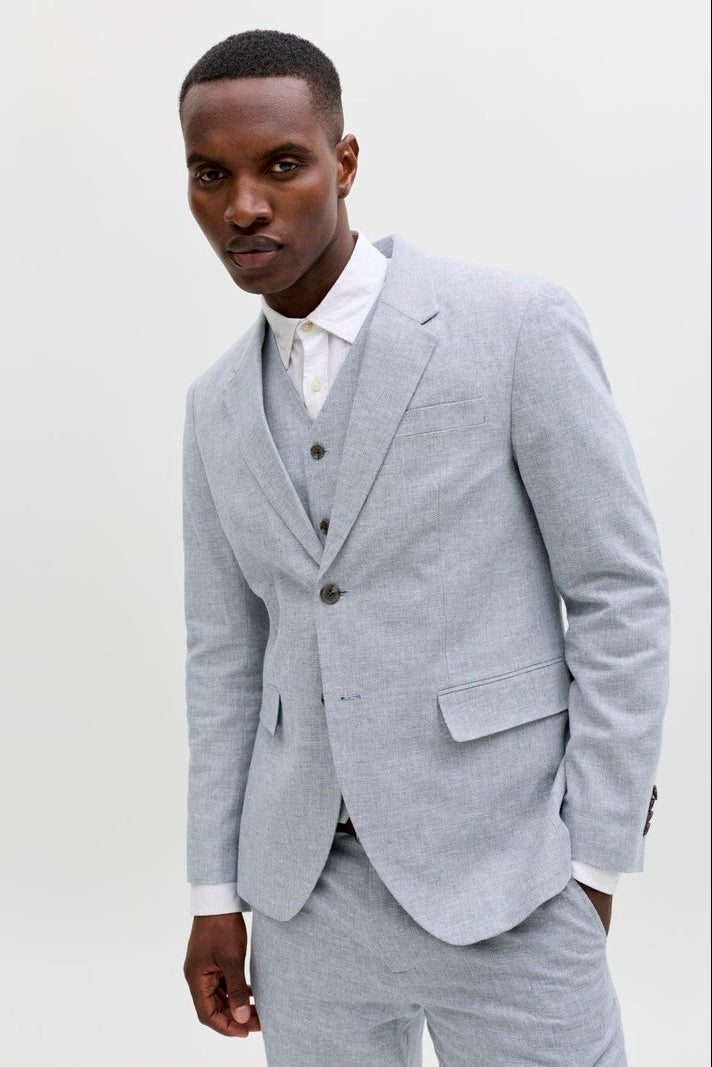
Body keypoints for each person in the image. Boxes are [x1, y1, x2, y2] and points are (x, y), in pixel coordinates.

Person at [178, 29, 669, 1065]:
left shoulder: (514, 324)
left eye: (281, 165)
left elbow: (619, 591)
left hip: (509, 880)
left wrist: (593, 859)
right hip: (304, 902)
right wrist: (216, 891)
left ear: (344, 162)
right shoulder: (216, 405)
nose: (244, 206)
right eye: (210, 175)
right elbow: (225, 658)